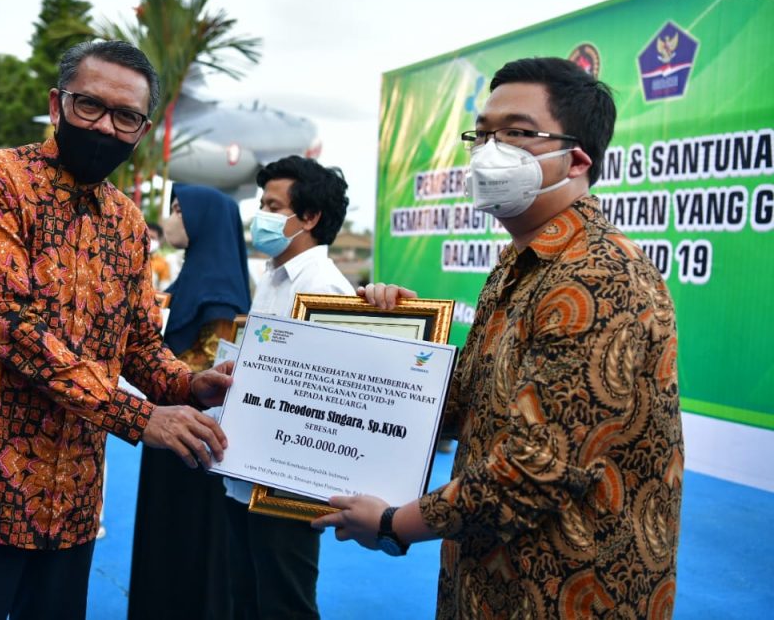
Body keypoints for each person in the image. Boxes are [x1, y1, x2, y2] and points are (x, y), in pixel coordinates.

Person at [314, 58, 683, 619]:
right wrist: (402, 338)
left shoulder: (599, 274)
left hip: (570, 594)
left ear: (576, 160)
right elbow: (466, 403)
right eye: (482, 133)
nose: (489, 150)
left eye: (515, 133)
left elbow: (537, 469)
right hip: (487, 586)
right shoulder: (520, 264)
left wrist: (393, 524)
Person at [0, 40, 234, 620]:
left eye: (125, 117)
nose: (104, 127)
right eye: (90, 106)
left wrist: (186, 384)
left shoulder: (128, 223)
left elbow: (138, 343)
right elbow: (12, 327)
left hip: (69, 502)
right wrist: (139, 416)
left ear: (141, 130)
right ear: (58, 104)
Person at [224, 156, 354, 620]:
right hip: (246, 464)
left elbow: (331, 394)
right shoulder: (273, 277)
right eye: (262, 204)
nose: (261, 216)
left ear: (310, 217)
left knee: (285, 603)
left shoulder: (326, 289)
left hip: (289, 475)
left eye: (273, 206)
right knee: (245, 596)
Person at [129, 183, 252, 619]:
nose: (172, 218)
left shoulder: (218, 293)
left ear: (204, 221)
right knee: (164, 536)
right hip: (167, 425)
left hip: (198, 439)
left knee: (190, 543)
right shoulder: (188, 279)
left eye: (180, 210)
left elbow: (212, 367)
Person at [146, 221, 172, 290]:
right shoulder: (128, 257)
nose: (148, 240)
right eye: (146, 236)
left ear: (159, 242)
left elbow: (165, 289)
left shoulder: (163, 263)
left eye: (152, 238)